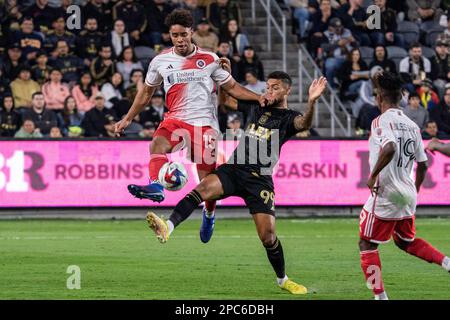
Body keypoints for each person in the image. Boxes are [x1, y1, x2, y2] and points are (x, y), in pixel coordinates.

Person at [144, 71, 327, 295]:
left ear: (287, 90)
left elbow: (304, 123)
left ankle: (283, 279)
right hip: (234, 169)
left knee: (268, 237)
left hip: (259, 180)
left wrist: (312, 101)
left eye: (275, 88)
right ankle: (168, 227)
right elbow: (225, 101)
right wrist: (225, 75)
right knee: (202, 189)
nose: (269, 91)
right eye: (268, 86)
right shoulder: (256, 106)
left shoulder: (289, 117)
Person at [114, 9, 266, 240]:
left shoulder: (210, 59)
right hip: (176, 120)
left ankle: (209, 213)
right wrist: (127, 118)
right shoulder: (160, 61)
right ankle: (156, 185)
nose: (180, 39)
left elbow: (232, 87)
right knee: (156, 144)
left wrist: (258, 97)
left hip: (205, 125)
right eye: (175, 35)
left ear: (191, 32)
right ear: (170, 35)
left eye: (184, 34)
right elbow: (146, 93)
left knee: (208, 183)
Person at [358, 71, 450, 301]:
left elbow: (388, 148)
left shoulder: (380, 121)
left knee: (366, 243)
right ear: (400, 98)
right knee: (404, 241)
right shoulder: (412, 125)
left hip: (387, 193)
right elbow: (423, 165)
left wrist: (372, 175)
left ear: (379, 99)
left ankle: (380, 297)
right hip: (407, 193)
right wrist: (415, 191)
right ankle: (447, 262)